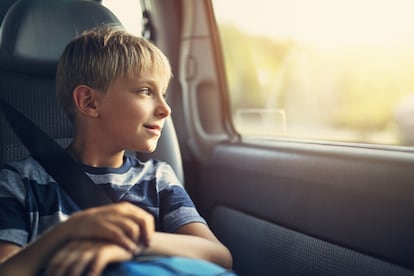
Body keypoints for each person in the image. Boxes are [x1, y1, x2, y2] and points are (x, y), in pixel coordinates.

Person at [0, 25, 232, 276]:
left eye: (163, 94)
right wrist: (68, 232)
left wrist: (131, 244)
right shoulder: (20, 182)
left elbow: (219, 256)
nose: (166, 109)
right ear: (89, 102)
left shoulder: (157, 179)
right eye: (146, 91)